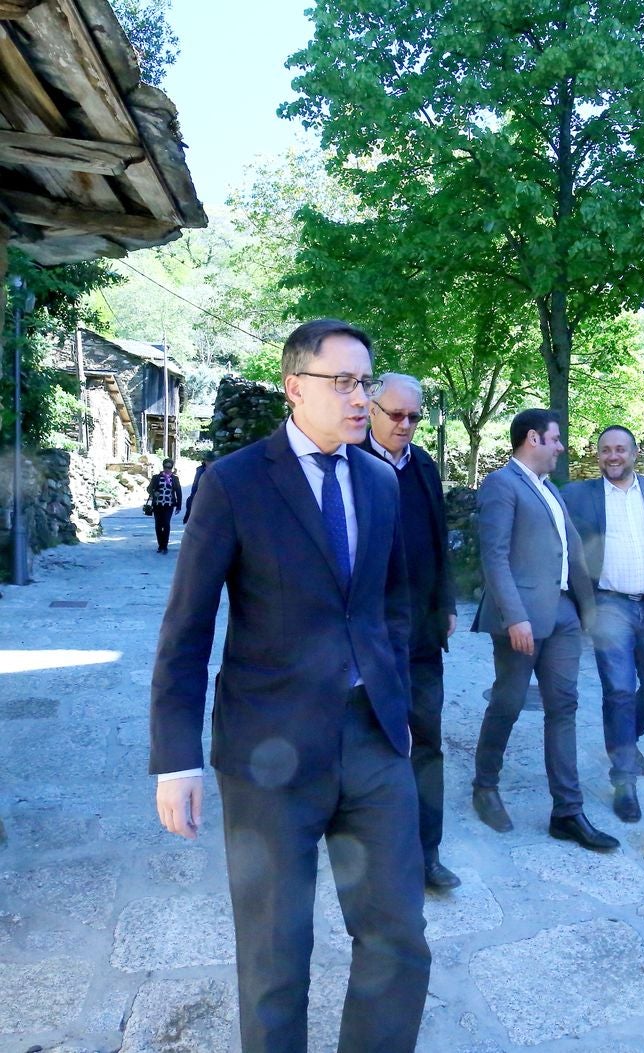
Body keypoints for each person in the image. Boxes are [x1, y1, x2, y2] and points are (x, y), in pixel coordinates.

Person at [149, 319, 431, 1053]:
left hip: (372, 741)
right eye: (342, 381)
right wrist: (174, 757)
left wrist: (395, 701)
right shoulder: (235, 481)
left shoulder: (377, 478)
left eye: (365, 380)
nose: (360, 397)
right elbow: (187, 626)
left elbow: (389, 603)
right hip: (268, 754)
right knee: (277, 953)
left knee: (398, 936)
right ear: (293, 386)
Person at [470, 408, 618, 851]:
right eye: (555, 439)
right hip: (522, 619)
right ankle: (484, 785)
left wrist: (587, 612)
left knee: (564, 706)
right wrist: (515, 616)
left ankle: (567, 811)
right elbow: (494, 556)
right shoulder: (501, 484)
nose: (561, 447)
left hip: (564, 615)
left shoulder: (550, 489)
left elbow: (571, 554)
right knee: (509, 702)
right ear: (533, 439)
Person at [361, 372, 461, 890]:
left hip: (421, 635)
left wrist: (444, 603)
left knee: (427, 741)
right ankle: (378, 856)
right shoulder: (347, 461)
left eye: (414, 417)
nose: (405, 425)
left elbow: (438, 541)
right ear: (371, 409)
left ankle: (427, 853)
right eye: (395, 414)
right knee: (373, 744)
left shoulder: (422, 464)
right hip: (367, 637)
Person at [562, 425, 644, 823]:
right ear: (597, 455)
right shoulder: (578, 496)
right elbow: (560, 542)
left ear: (634, 453)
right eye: (605, 451)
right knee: (618, 689)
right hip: (609, 605)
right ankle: (624, 782)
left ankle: (627, 743)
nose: (612, 456)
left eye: (620, 450)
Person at [146, 457, 183, 553]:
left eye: (169, 467)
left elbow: (178, 492)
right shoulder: (156, 477)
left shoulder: (174, 479)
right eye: (165, 467)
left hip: (169, 505)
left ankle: (165, 546)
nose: (167, 469)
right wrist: (154, 492)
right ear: (163, 467)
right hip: (157, 505)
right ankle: (160, 545)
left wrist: (179, 506)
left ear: (172, 468)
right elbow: (149, 489)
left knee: (166, 524)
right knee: (158, 525)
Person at [182, 451, 213, 524]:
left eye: (212, 461)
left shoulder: (214, 471)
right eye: (209, 461)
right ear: (205, 461)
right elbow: (195, 487)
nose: (210, 463)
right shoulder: (201, 471)